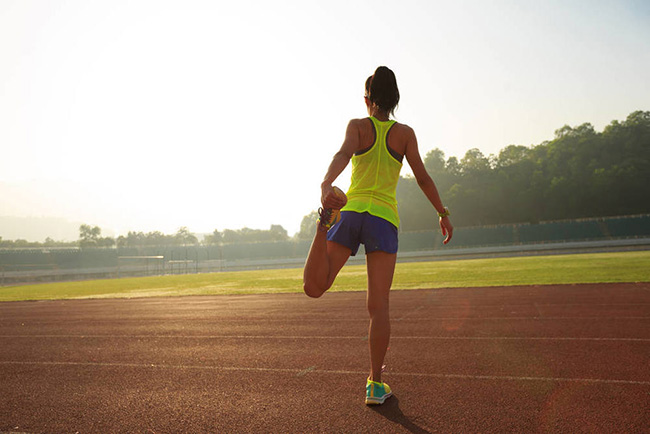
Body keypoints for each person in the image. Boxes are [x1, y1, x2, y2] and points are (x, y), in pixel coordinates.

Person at [302, 66, 454, 405]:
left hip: (351, 211)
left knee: (316, 286)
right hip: (383, 218)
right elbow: (424, 178)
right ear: (395, 99)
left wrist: (327, 184)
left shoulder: (357, 127)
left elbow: (343, 154)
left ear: (367, 99)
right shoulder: (405, 134)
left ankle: (321, 224)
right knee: (378, 305)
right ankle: (375, 384)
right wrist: (442, 214)